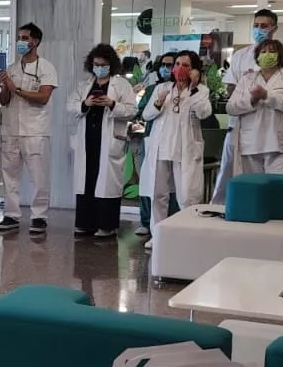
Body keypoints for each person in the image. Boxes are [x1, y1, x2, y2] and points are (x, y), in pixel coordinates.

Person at [0, 22, 59, 235]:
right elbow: (4, 100)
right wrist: (6, 87)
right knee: (9, 175)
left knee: (39, 177)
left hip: (35, 130)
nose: (20, 42)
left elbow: (43, 97)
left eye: (25, 38)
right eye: (19, 38)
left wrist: (17, 89)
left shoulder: (46, 68)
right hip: (11, 130)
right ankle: (11, 214)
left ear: (35, 41)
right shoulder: (12, 68)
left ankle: (39, 216)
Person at [69, 44, 138, 238]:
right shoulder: (85, 85)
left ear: (111, 65)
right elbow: (70, 105)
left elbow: (132, 110)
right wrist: (85, 104)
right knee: (87, 180)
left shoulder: (121, 85)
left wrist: (112, 103)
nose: (99, 68)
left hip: (109, 140)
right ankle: (85, 224)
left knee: (106, 184)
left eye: (103, 65)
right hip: (87, 139)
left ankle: (107, 226)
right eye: (96, 64)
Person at [211, 9, 278, 202]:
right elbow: (231, 87)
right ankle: (220, 210)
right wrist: (247, 99)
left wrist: (260, 96)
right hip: (239, 125)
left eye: (264, 26)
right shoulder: (241, 55)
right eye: (256, 25)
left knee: (262, 179)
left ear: (274, 28)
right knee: (228, 173)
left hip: (268, 127)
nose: (259, 29)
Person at [140, 51, 213, 227]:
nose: (180, 68)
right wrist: (158, 103)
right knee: (158, 194)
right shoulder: (161, 88)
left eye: (186, 65)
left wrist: (193, 88)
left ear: (194, 70)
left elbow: (204, 113)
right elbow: (146, 115)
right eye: (177, 64)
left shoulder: (201, 90)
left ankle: (187, 232)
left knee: (187, 196)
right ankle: (157, 233)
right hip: (161, 149)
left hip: (184, 149)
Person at [227, 37, 283, 175]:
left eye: (272, 51)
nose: (267, 54)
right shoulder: (247, 79)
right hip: (250, 143)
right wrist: (251, 101)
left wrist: (267, 96)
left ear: (280, 56)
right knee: (253, 186)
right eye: (263, 52)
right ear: (257, 56)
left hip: (277, 144)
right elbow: (230, 108)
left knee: (276, 186)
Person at [135, 51, 178, 237]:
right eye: (164, 65)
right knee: (148, 182)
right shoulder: (153, 89)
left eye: (171, 65)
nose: (167, 69)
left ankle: (172, 220)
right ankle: (146, 221)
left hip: (173, 142)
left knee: (172, 185)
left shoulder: (186, 90)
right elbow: (142, 112)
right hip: (151, 139)